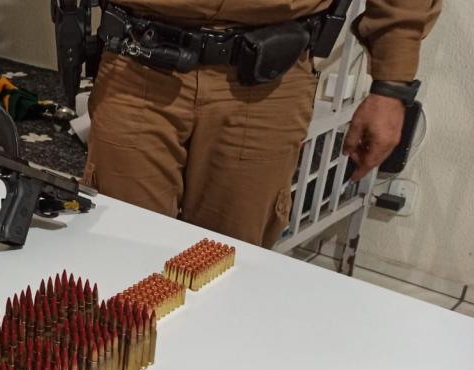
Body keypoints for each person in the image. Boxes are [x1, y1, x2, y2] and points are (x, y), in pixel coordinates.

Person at [82, 0, 441, 248]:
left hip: (267, 78)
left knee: (231, 260)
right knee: (121, 248)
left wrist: (391, 85)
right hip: (137, 58)